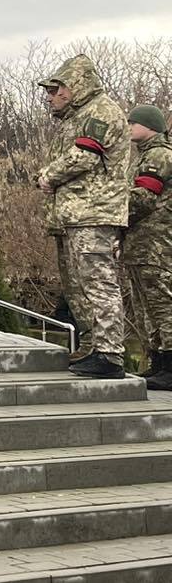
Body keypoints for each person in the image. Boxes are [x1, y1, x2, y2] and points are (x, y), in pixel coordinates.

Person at [35, 54, 130, 379]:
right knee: (78, 286)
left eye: (55, 89)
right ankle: (94, 347)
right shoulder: (78, 117)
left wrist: (48, 174)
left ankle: (110, 354)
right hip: (76, 215)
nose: (50, 96)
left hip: (95, 213)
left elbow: (84, 156)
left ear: (73, 87)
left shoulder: (101, 112)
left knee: (98, 282)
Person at [125, 104, 172, 390]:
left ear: (150, 126)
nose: (129, 125)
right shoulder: (142, 156)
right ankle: (159, 362)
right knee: (146, 308)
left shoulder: (159, 156)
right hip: (140, 244)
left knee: (162, 304)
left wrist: (108, 209)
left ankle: (170, 364)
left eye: (134, 122)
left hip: (156, 244)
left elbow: (142, 198)